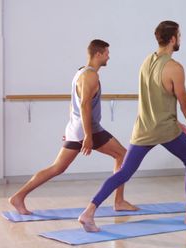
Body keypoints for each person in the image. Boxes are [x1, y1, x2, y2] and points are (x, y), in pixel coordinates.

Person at [77, 21, 186, 232]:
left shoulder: (146, 61)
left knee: (124, 172)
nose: (180, 39)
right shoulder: (175, 68)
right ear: (173, 39)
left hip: (143, 128)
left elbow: (155, 99)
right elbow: (185, 104)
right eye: (179, 36)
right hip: (165, 130)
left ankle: (89, 211)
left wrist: (176, 122)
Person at [9, 40, 138, 215]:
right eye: (107, 53)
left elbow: (74, 105)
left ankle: (18, 197)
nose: (109, 56)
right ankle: (119, 201)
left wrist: (71, 129)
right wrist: (88, 136)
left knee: (58, 167)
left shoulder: (80, 73)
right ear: (98, 54)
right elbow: (84, 104)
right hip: (88, 129)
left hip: (78, 128)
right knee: (122, 155)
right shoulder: (91, 76)